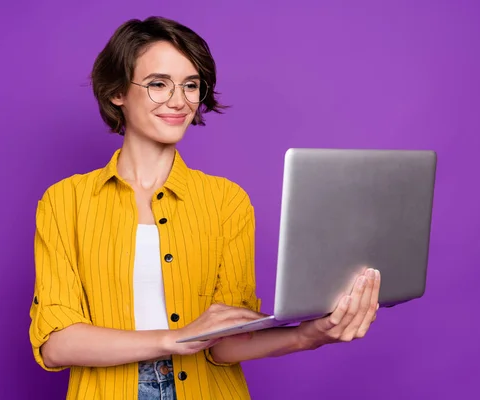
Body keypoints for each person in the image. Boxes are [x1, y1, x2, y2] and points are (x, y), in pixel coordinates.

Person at [28, 16, 381, 400]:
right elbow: (57, 343)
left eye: (191, 85)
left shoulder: (227, 202)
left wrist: (309, 334)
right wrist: (175, 339)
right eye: (158, 84)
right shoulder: (65, 201)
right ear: (117, 92)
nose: (179, 101)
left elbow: (225, 345)